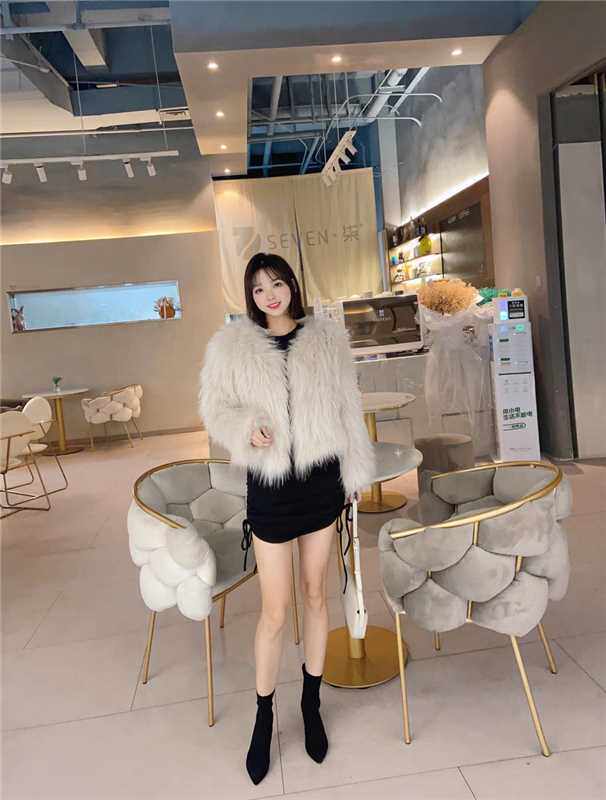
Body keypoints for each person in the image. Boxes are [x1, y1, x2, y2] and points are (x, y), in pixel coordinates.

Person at [199, 252, 374, 785]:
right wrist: (246, 427)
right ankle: (263, 715)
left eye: (277, 283)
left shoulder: (326, 340)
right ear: (249, 297)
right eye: (258, 289)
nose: (270, 295)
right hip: (271, 490)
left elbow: (348, 408)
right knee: (275, 612)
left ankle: (311, 703)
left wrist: (354, 474)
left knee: (316, 595)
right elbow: (215, 409)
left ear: (292, 285)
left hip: (321, 483)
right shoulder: (232, 346)